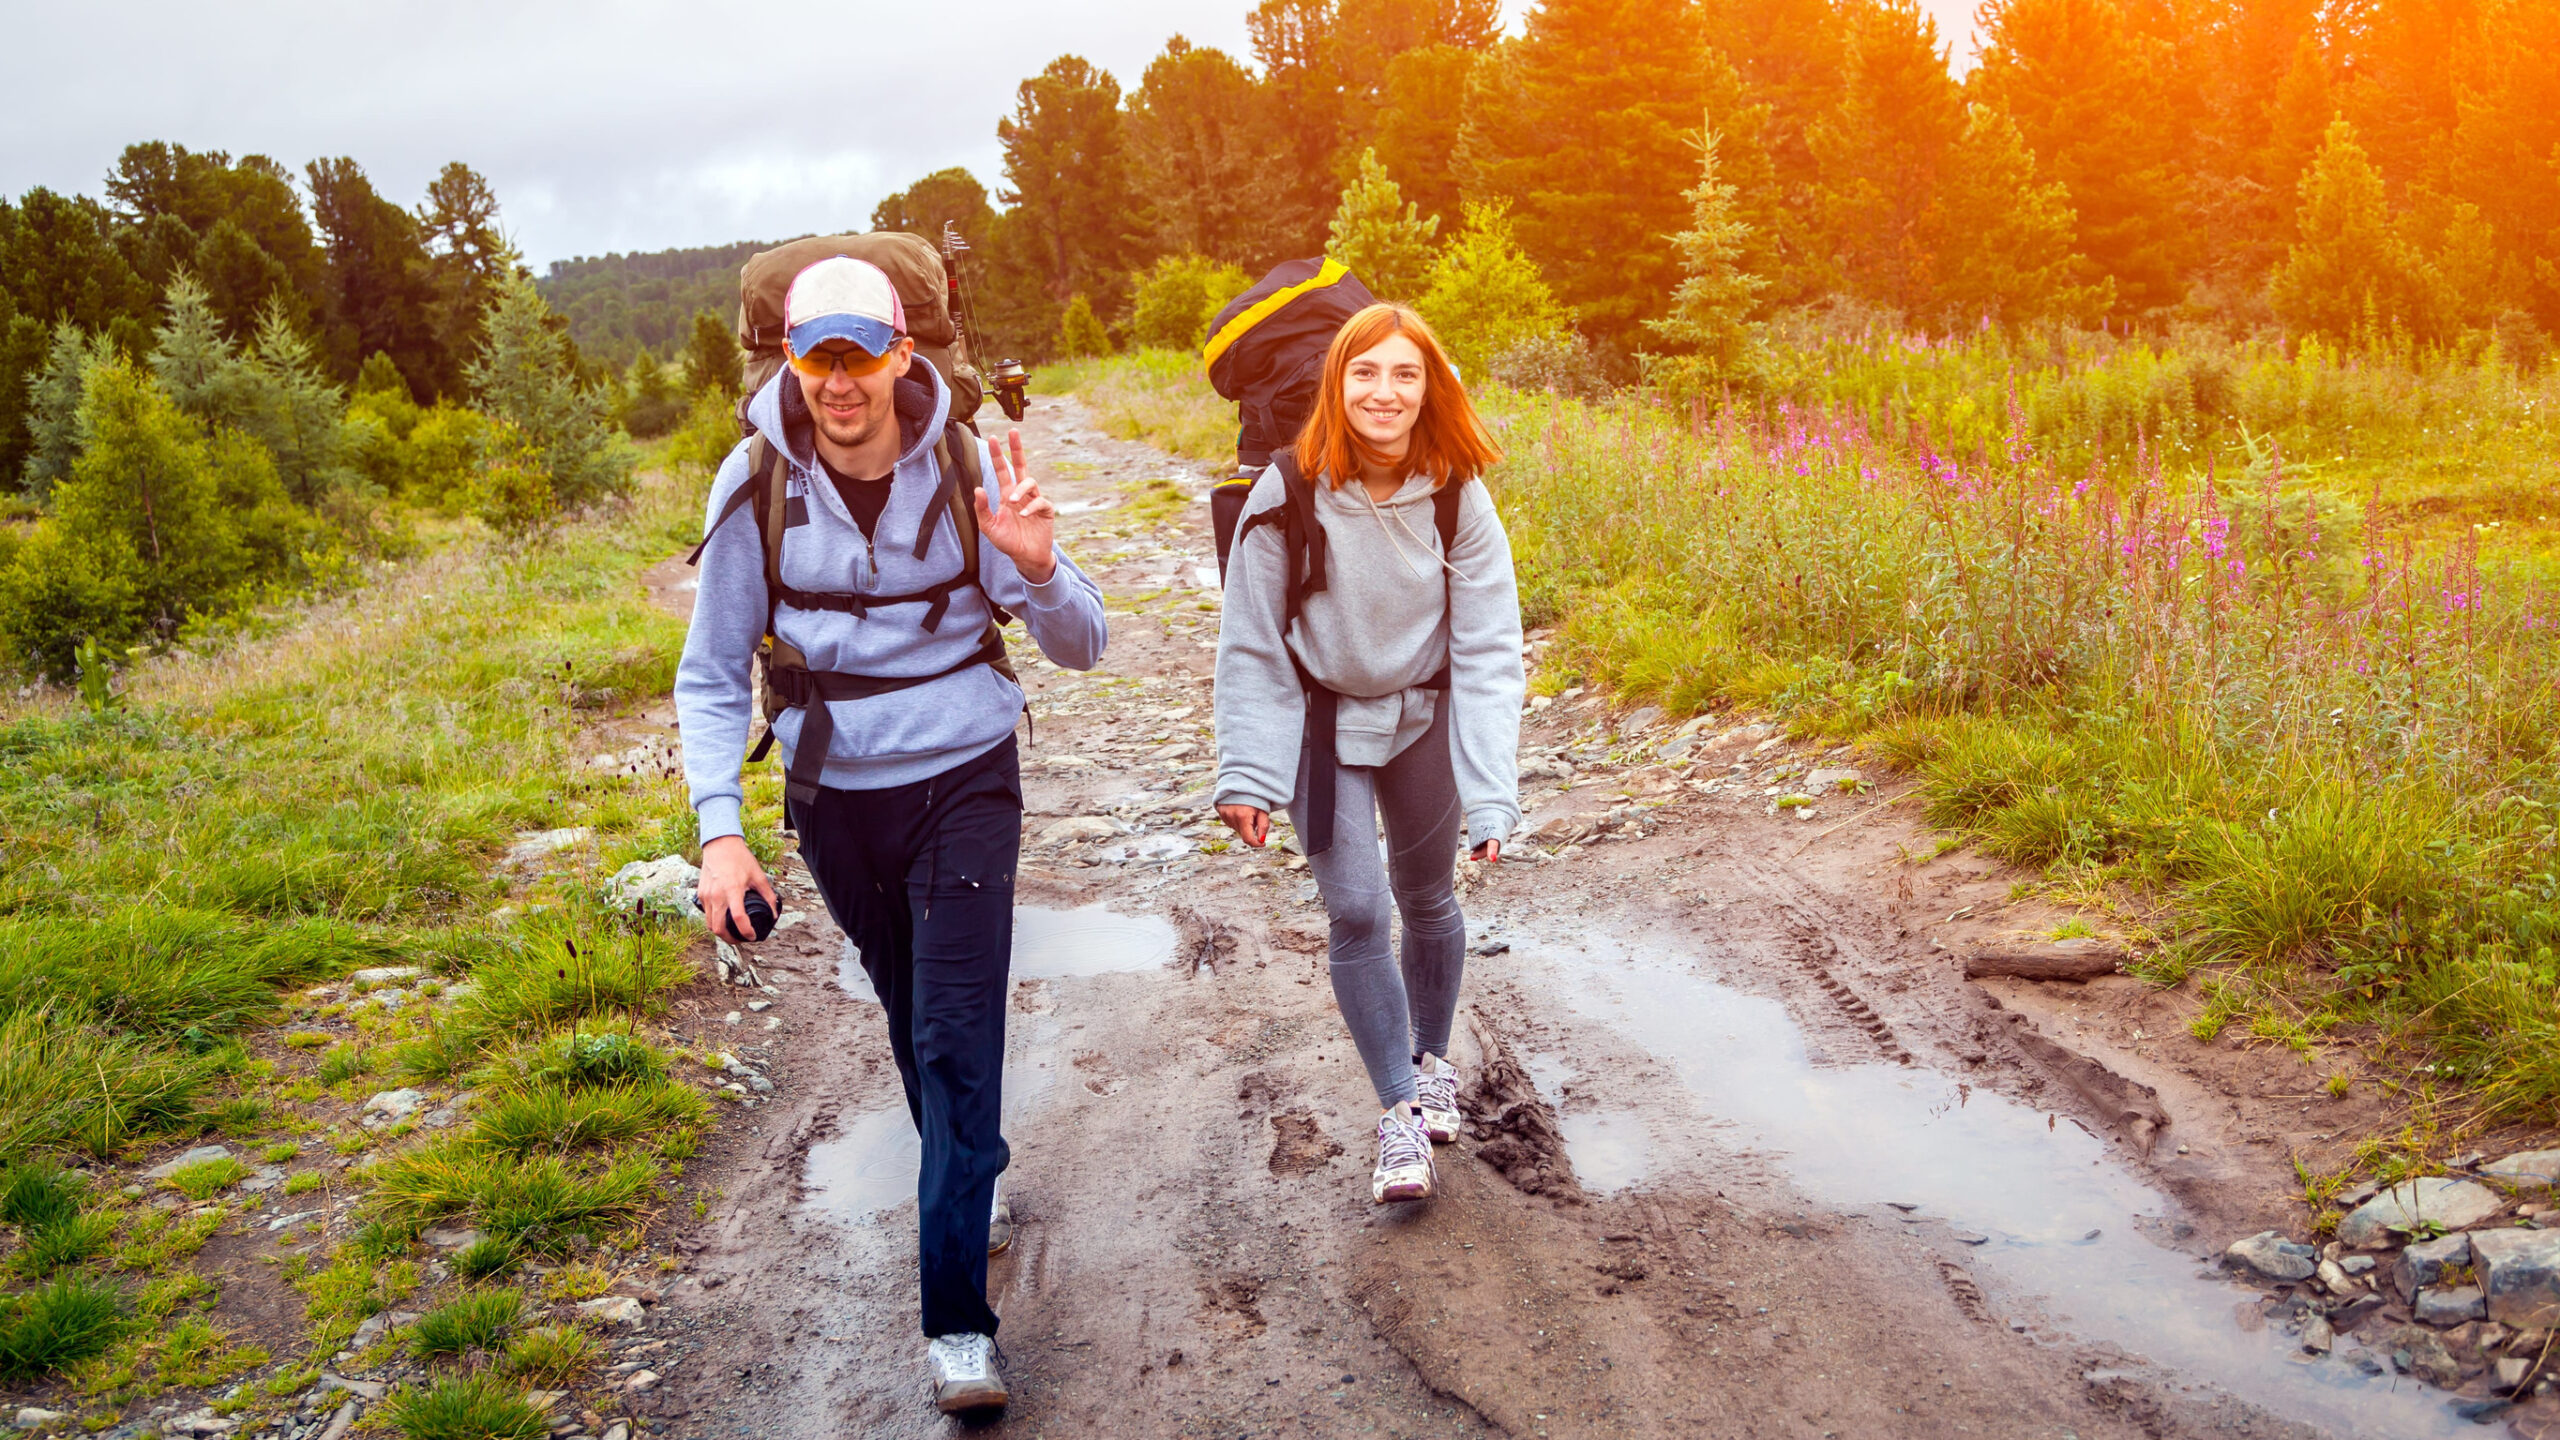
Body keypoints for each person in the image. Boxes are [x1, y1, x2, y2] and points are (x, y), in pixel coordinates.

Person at [675, 256, 1107, 1414]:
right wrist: (720, 832)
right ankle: (969, 1174)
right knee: (915, 1018)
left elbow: (1084, 643)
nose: (838, 380)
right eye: (816, 355)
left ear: (902, 353)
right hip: (832, 798)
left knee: (956, 1036)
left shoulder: (967, 467)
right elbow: (711, 672)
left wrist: (1038, 568)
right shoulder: (752, 481)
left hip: (966, 777)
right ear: (789, 358)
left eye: (859, 353)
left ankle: (957, 1325)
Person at [1212, 302, 1524, 1205]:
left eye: (1404, 374)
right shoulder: (1286, 491)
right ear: (1336, 383)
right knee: (1356, 909)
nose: (1384, 392)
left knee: (1426, 896)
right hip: (1322, 725)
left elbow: (1490, 649)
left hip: (1424, 714)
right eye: (1366, 372)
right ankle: (1399, 1114)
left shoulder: (1459, 495)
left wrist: (1492, 790)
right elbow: (1252, 645)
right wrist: (1248, 771)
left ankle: (1432, 1063)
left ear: (1430, 390)